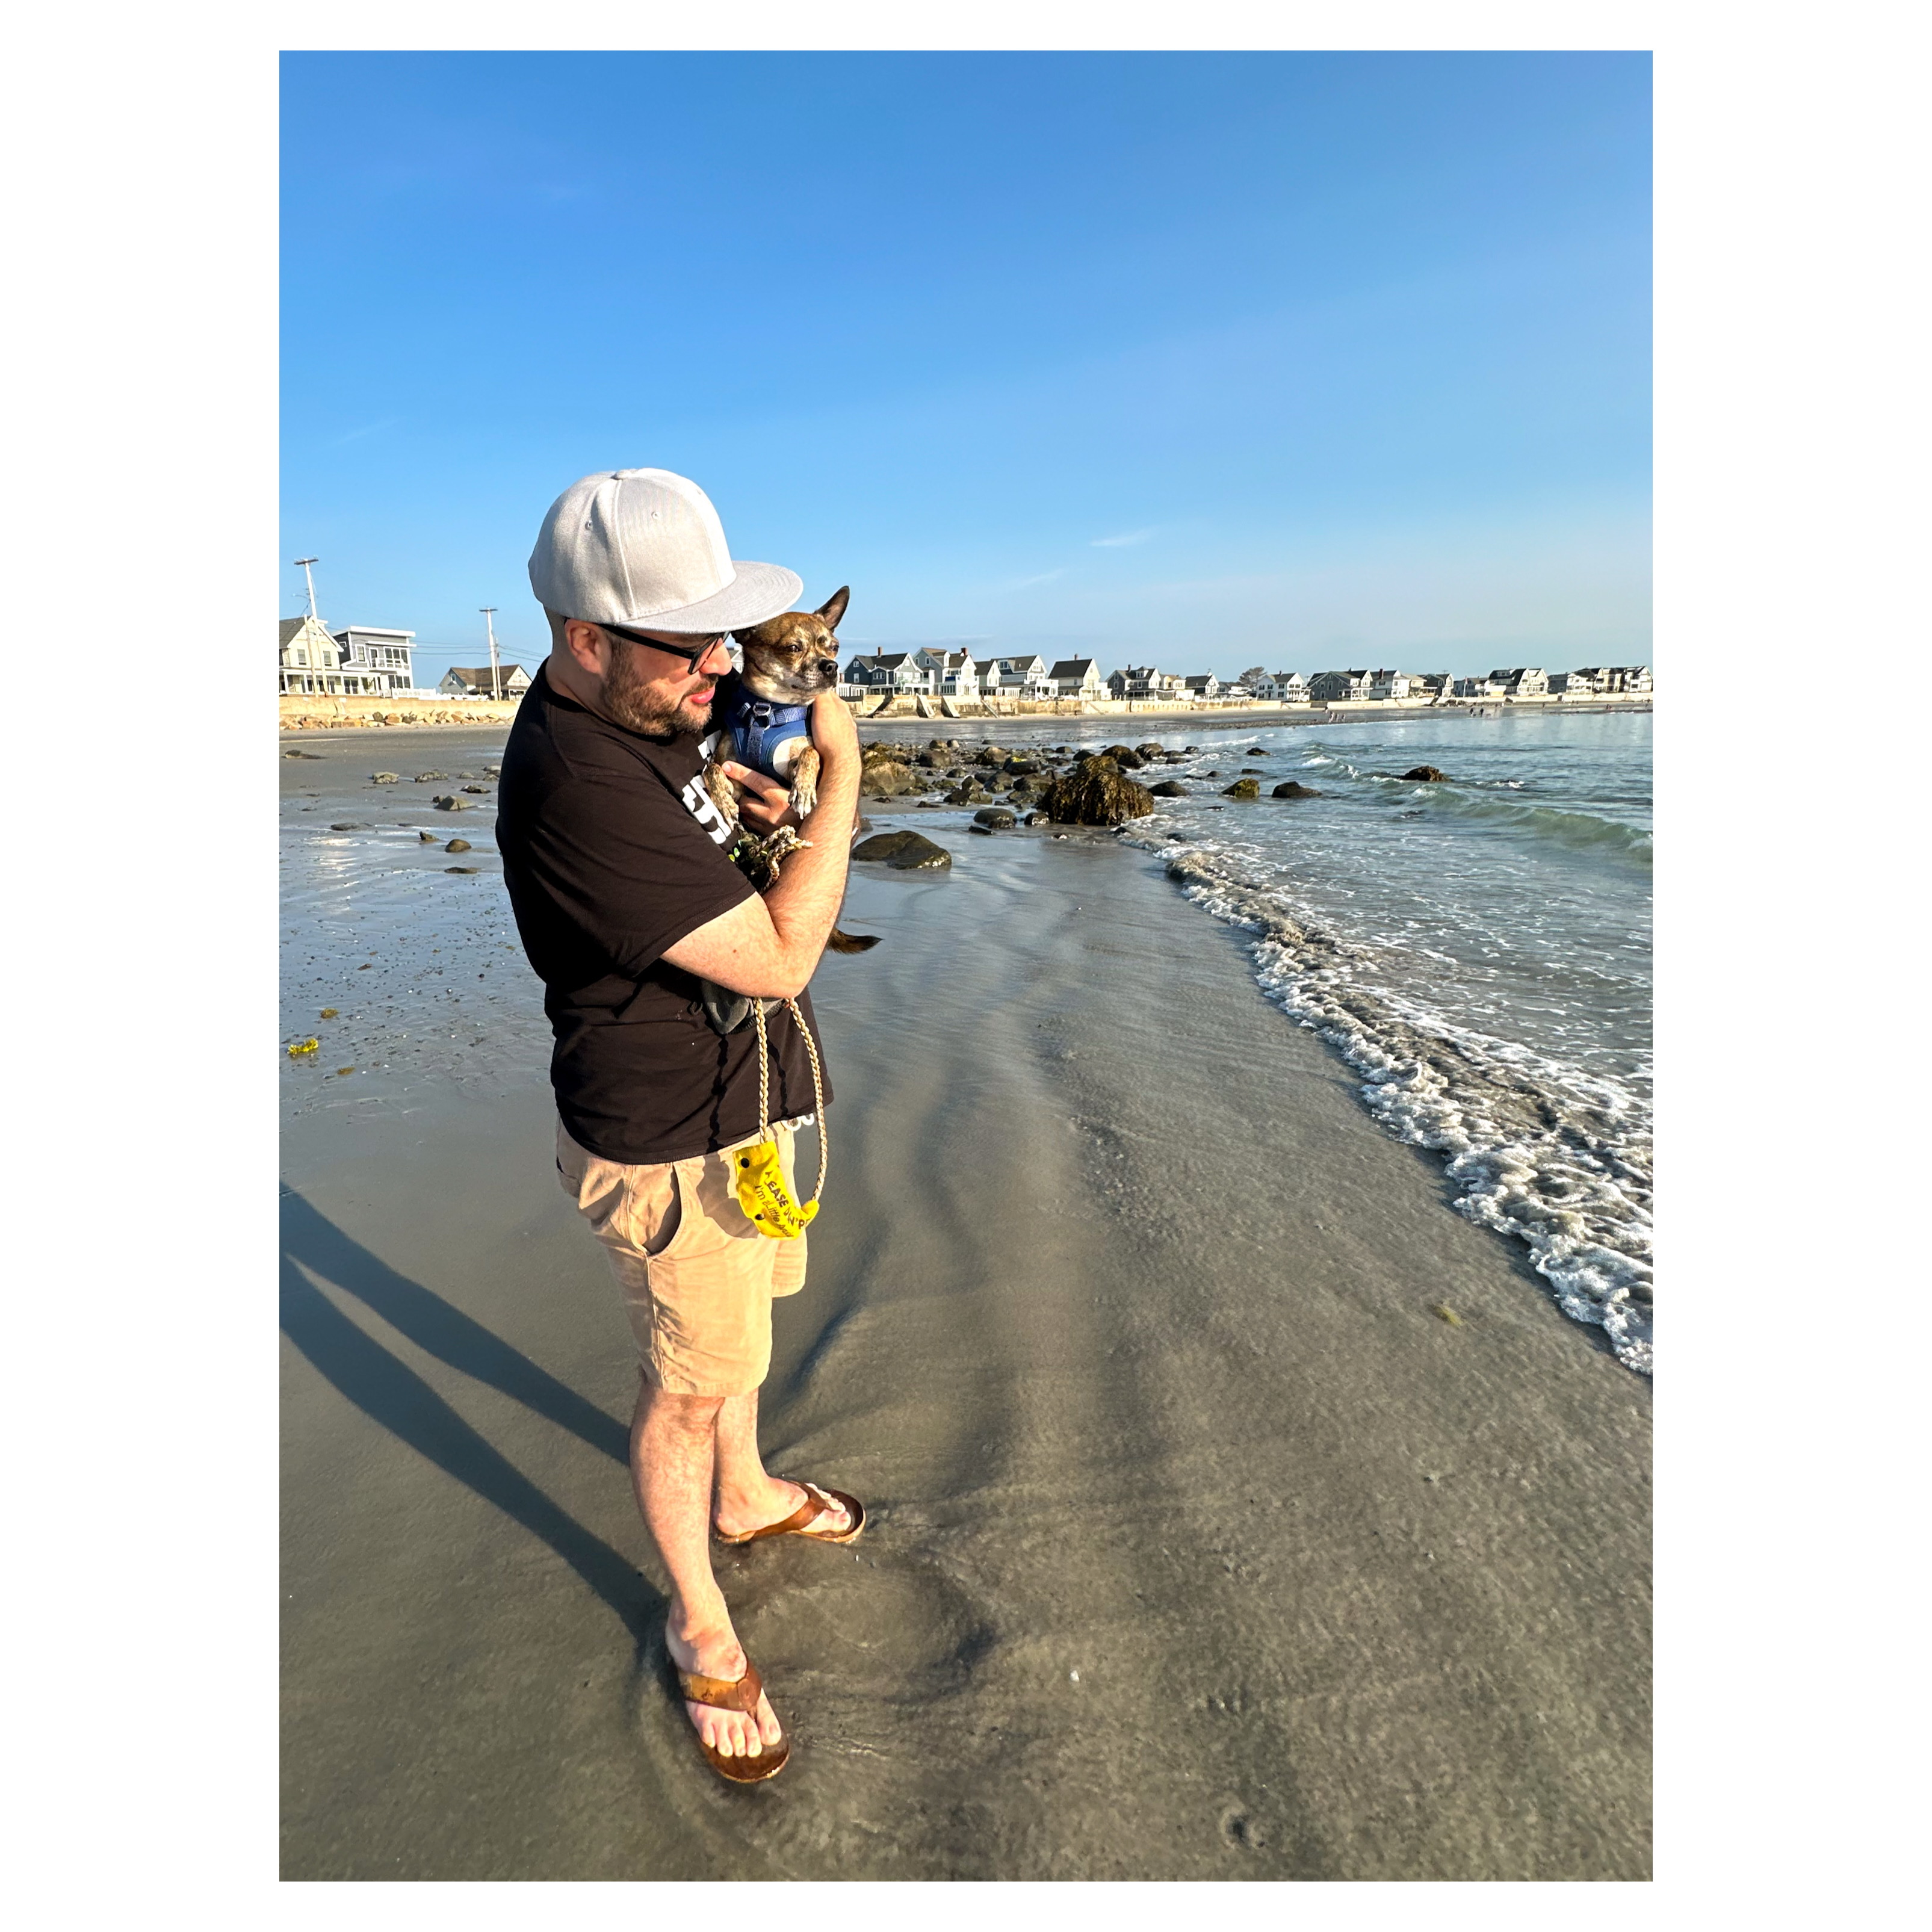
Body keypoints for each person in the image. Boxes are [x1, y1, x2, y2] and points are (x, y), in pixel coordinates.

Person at [495, 468, 864, 1785]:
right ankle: (697, 1617)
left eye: (727, 633)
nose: (724, 664)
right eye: (690, 642)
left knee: (746, 1335)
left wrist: (754, 808)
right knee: (688, 1378)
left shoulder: (656, 707)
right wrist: (840, 792)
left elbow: (701, 823)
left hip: (737, 1102)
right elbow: (775, 958)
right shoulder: (577, 778)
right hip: (662, 1134)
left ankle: (750, 1494)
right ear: (587, 641)